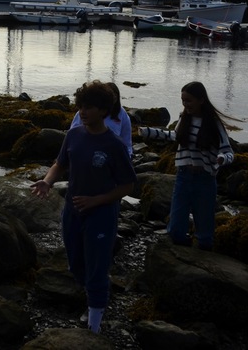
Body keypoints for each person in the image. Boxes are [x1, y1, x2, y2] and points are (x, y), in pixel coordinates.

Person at [31, 80, 136, 334]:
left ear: (103, 111)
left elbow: (128, 185)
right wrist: (47, 181)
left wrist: (97, 200)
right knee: (76, 263)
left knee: (97, 266)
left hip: (101, 213)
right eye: (80, 107)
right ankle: (95, 294)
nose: (82, 112)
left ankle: (94, 325)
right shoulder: (73, 135)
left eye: (88, 107)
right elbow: (60, 163)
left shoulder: (114, 145)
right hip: (73, 211)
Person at [138, 81, 234, 250]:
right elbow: (174, 136)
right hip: (183, 176)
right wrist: (148, 132)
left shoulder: (213, 124)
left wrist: (221, 159)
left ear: (201, 100)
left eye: (188, 100)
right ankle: (184, 255)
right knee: (175, 230)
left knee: (205, 236)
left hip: (205, 180)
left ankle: (202, 262)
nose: (185, 104)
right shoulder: (184, 118)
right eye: (183, 100)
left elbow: (229, 153)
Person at [68, 81, 133, 157]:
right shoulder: (73, 132)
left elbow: (126, 140)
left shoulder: (122, 114)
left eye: (115, 96)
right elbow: (73, 136)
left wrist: (128, 155)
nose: (82, 112)